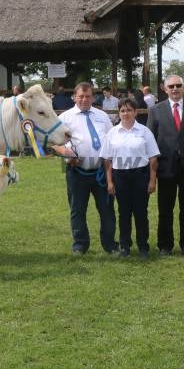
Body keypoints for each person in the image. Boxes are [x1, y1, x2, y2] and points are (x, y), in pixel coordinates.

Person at [50, 82, 118, 256]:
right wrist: (65, 153)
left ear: (93, 97)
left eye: (88, 96)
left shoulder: (102, 116)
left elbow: (112, 140)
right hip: (76, 172)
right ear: (74, 97)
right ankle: (80, 245)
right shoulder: (64, 118)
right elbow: (53, 143)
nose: (84, 99)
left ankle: (110, 244)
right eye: (80, 96)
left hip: (101, 172)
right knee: (77, 209)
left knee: (107, 210)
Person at [146, 74, 184, 257]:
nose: (175, 89)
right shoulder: (156, 110)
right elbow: (150, 141)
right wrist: (152, 172)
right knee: (165, 208)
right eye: (171, 86)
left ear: (183, 87)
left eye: (178, 85)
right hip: (165, 167)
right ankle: (165, 245)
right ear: (164, 88)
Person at [101, 98, 159, 259]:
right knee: (123, 213)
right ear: (119, 113)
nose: (125, 113)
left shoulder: (144, 131)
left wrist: (152, 180)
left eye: (129, 110)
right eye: (122, 110)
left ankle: (143, 247)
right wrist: (110, 181)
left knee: (141, 213)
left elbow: (153, 158)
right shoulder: (112, 133)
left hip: (141, 175)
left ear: (135, 112)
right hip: (120, 177)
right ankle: (125, 246)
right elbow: (107, 160)